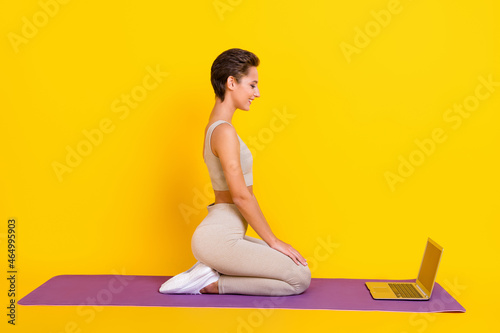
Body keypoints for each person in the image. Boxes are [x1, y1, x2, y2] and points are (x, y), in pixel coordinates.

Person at [159, 48, 311, 296]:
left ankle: (211, 271)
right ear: (231, 82)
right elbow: (240, 195)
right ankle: (210, 284)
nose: (257, 93)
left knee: (297, 268)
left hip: (223, 235)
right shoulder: (224, 132)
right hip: (219, 237)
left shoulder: (217, 127)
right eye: (252, 85)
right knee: (299, 279)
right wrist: (273, 241)